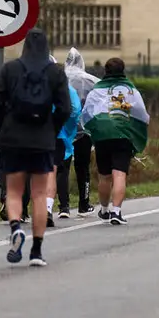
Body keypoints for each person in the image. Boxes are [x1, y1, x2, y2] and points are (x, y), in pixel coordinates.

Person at [0, 28, 72, 266]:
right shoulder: (56, 72)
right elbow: (65, 108)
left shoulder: (10, 69)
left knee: (14, 191)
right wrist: (51, 129)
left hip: (13, 138)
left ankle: (16, 227)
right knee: (38, 194)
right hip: (42, 140)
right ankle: (36, 251)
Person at [82, 57, 150, 225]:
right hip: (123, 134)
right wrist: (138, 129)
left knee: (104, 176)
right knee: (119, 174)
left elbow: (86, 113)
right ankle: (116, 212)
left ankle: (104, 210)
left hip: (102, 136)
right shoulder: (130, 89)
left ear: (106, 71)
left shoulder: (97, 90)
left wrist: (92, 129)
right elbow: (141, 113)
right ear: (123, 70)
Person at [59, 47, 100, 218]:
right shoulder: (89, 80)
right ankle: (84, 203)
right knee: (83, 167)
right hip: (84, 131)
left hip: (64, 129)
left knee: (62, 168)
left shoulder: (60, 79)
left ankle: (64, 207)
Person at [44, 55, 83, 228]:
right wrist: (65, 127)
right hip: (58, 135)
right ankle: (47, 208)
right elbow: (74, 110)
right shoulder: (66, 89)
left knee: (34, 172)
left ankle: (25, 209)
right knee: (52, 172)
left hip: (32, 135)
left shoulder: (31, 85)